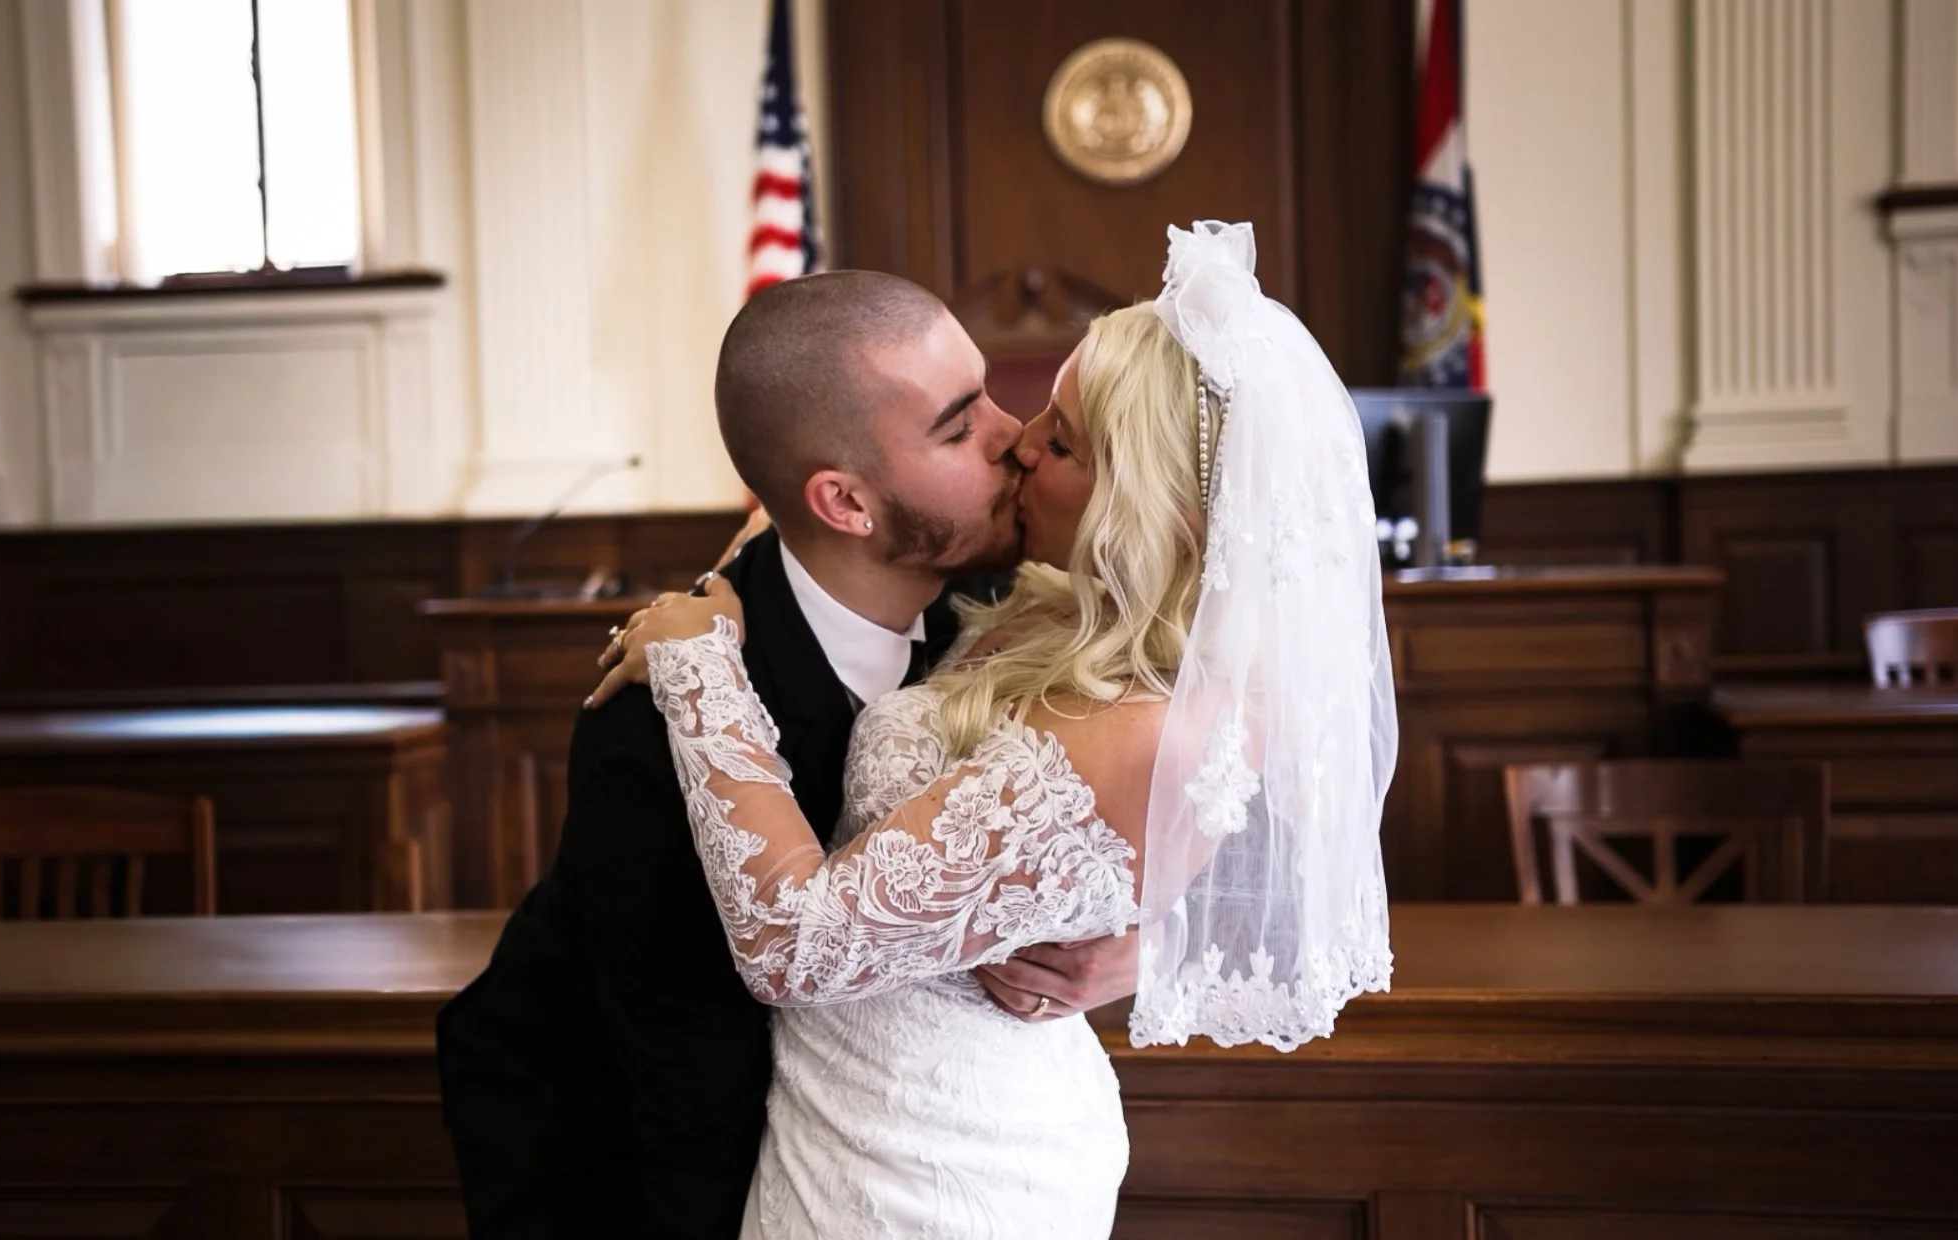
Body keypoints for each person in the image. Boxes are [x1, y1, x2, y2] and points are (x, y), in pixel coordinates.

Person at [604, 221, 1399, 1238]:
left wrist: (695, 659)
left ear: (1143, 505)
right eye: (993, 412)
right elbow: (823, 509)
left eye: (1059, 440)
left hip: (939, 1169)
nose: (1016, 438)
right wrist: (718, 585)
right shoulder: (1043, 595)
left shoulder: (1159, 723)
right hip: (839, 1126)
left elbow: (794, 945)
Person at [435, 270, 1144, 1239]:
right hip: (607, 1163)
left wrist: (1141, 945)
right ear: (846, 503)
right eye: (956, 424)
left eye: (985, 392)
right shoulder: (655, 729)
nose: (1015, 435)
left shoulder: (994, 604)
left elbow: (1164, 799)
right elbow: (693, 1097)